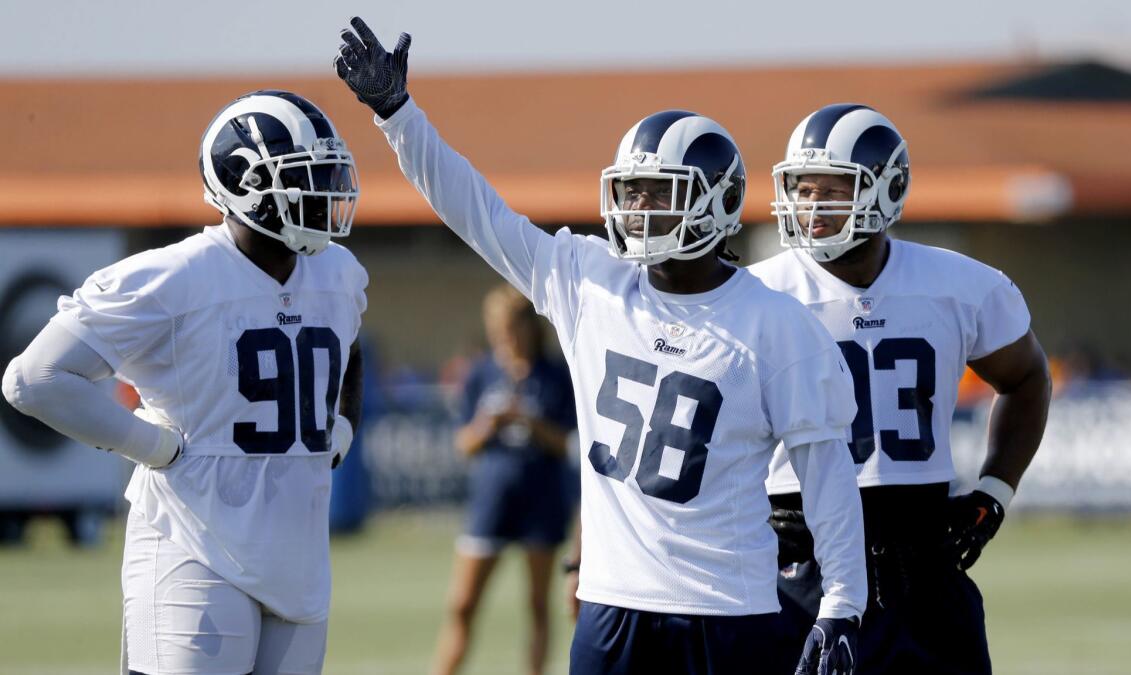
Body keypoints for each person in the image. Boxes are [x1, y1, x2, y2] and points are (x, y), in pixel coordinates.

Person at [334, 18, 866, 675]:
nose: (636, 207)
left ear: (716, 203)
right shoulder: (590, 279)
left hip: (731, 608)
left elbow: (827, 475)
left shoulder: (776, 323)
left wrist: (843, 601)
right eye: (631, 190)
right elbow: (477, 212)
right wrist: (398, 115)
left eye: (658, 193)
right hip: (612, 605)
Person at [2, 90, 368, 675]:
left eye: (328, 172)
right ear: (245, 183)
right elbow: (33, 377)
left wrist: (342, 425)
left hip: (299, 554)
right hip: (193, 543)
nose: (327, 191)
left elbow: (349, 343)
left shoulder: (338, 272)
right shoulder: (175, 276)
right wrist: (152, 447)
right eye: (308, 176)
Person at [750, 103, 1052, 674]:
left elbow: (1026, 376)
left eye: (833, 188)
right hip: (797, 563)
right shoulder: (757, 295)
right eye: (802, 187)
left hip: (922, 563)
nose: (811, 206)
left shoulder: (960, 285)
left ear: (886, 190)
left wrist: (995, 490)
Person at [432, 283, 576, 675]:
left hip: (541, 499)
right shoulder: (482, 372)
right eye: (496, 328)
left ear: (529, 327)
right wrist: (488, 424)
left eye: (511, 327)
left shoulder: (555, 375)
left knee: (537, 605)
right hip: (490, 499)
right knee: (462, 604)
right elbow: (464, 443)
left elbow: (569, 444)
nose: (504, 337)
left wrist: (530, 421)